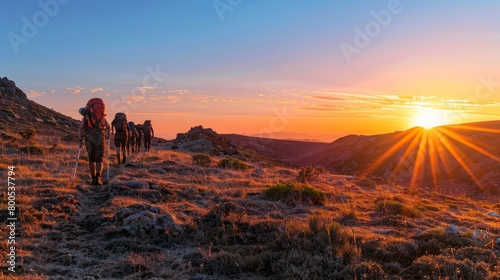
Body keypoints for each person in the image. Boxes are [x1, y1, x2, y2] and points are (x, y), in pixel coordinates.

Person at [78, 99, 110, 186]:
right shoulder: (102, 117)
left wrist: (80, 140)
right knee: (99, 159)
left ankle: (93, 178)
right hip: (100, 138)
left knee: (91, 159)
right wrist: (107, 135)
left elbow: (81, 128)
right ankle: (98, 177)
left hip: (89, 138)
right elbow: (108, 127)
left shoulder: (86, 117)